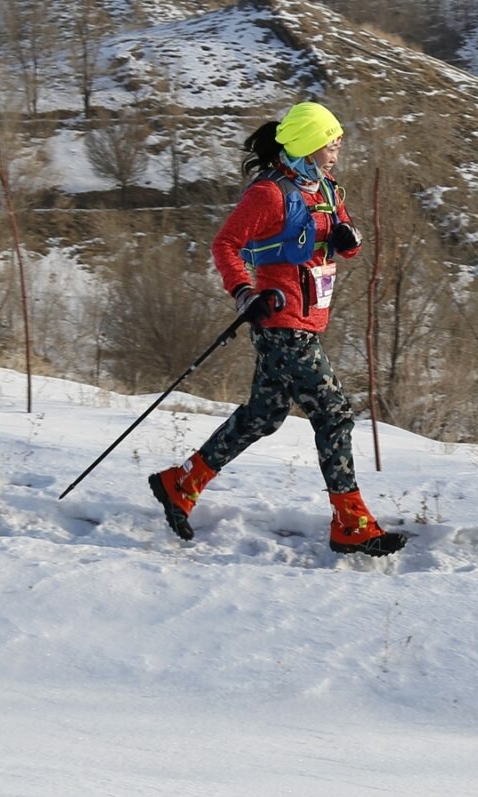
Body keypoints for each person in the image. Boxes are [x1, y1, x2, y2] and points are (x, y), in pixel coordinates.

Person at [149, 101, 406, 557]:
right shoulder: (268, 194)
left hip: (308, 320)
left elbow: (343, 240)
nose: (337, 150)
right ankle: (351, 523)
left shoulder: (326, 188)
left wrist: (349, 241)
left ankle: (181, 483)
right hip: (281, 323)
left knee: (263, 416)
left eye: (338, 142)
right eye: (331, 143)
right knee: (334, 413)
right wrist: (244, 293)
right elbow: (225, 244)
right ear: (308, 145)